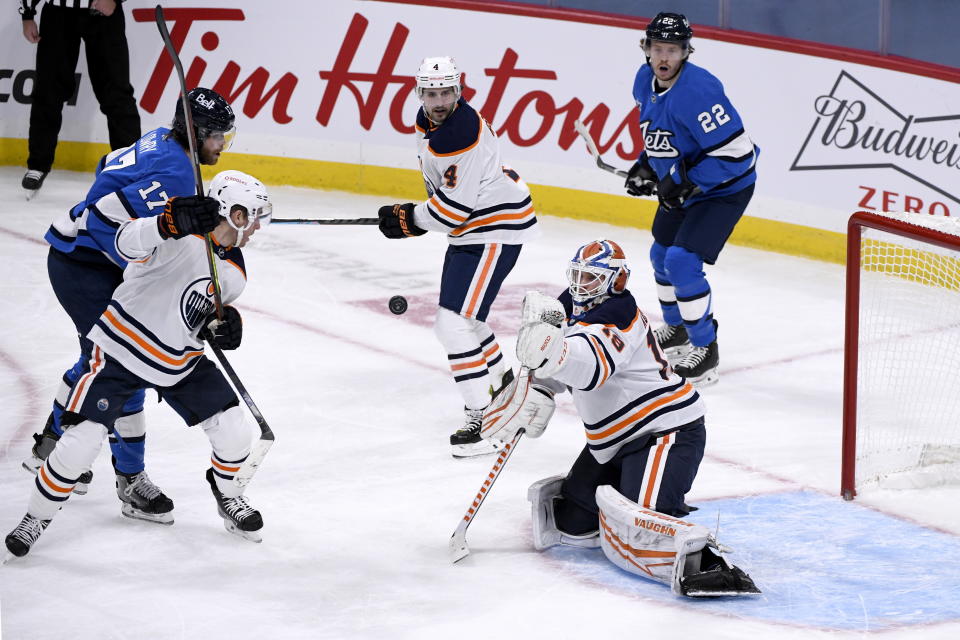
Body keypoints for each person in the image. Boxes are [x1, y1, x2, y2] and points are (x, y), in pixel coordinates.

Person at [4, 170, 273, 559]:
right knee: (80, 443)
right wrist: (166, 223)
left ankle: (228, 495)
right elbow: (125, 242)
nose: (258, 226)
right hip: (120, 349)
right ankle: (36, 518)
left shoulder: (235, 270)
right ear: (233, 211)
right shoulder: (176, 229)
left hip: (178, 359)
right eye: (253, 215)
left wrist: (227, 324)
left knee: (235, 433)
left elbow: (204, 314)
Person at [482, 239, 759, 597]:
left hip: (666, 431)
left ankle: (709, 566)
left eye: (592, 278)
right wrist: (536, 387)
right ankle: (624, 491)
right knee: (573, 523)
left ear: (616, 281)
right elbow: (557, 360)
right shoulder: (568, 305)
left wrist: (552, 355)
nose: (582, 285)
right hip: (612, 440)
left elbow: (590, 368)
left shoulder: (619, 314)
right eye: (578, 275)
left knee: (645, 529)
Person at [24, 87, 236, 525]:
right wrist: (143, 249)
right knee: (122, 362)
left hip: (81, 256)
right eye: (216, 137)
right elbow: (104, 218)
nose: (220, 146)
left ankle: (53, 441)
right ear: (196, 133)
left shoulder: (162, 140)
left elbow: (107, 168)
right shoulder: (177, 173)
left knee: (101, 358)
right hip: (82, 262)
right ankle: (129, 479)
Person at [376, 56, 540, 458]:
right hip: (476, 228)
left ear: (458, 91)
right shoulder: (428, 122)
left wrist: (409, 219)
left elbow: (453, 211)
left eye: (445, 92)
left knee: (452, 326)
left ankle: (486, 418)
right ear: (419, 92)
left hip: (493, 228)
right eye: (430, 92)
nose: (437, 100)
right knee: (463, 320)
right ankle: (501, 384)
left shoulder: (460, 134)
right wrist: (410, 217)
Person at [623, 12, 759, 386]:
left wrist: (687, 183)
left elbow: (738, 155)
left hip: (724, 190)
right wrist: (646, 166)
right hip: (687, 183)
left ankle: (706, 348)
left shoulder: (699, 91)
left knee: (682, 261)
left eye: (672, 50)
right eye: (657, 48)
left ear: (686, 52)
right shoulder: (643, 79)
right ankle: (678, 329)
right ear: (646, 49)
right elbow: (661, 133)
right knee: (660, 255)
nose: (663, 58)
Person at [18, 0, 141, 196]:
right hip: (57, 11)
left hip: (103, 13)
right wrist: (27, 13)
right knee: (48, 90)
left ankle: (131, 169)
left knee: (116, 94)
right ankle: (38, 165)